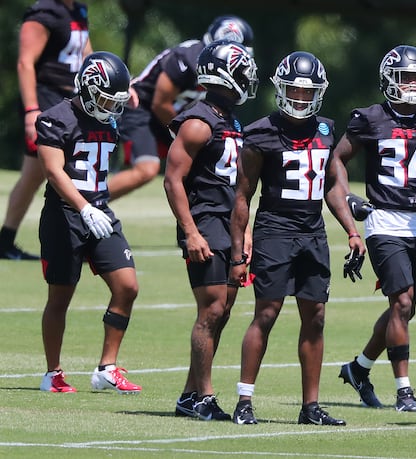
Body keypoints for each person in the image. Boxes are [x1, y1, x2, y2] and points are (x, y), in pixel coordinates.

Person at [229, 51, 363, 426]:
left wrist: (352, 230)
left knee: (316, 316)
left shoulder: (324, 129)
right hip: (274, 229)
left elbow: (332, 187)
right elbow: (243, 196)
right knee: (267, 313)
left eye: (308, 93)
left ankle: (311, 406)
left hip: (312, 231)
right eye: (295, 91)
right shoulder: (260, 132)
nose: (301, 99)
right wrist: (238, 253)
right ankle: (244, 400)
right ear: (281, 89)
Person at [330, 45, 416, 412]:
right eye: (406, 77)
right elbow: (336, 159)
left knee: (404, 309)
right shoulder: (370, 119)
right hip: (383, 220)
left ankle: (359, 369)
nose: (413, 85)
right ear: (389, 80)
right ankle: (405, 390)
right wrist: (348, 197)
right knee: (402, 302)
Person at [37, 51, 142, 394]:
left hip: (99, 211)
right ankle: (52, 373)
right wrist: (83, 208)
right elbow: (53, 171)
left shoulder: (109, 117)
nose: (109, 107)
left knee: (127, 286)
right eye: (103, 99)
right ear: (85, 87)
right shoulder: (55, 118)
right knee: (60, 297)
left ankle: (106, 369)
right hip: (65, 214)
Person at [164, 40, 258, 420]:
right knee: (212, 308)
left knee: (225, 309)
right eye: (242, 71)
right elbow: (173, 180)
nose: (247, 78)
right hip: (203, 222)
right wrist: (190, 232)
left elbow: (239, 186)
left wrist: (245, 232)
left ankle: (189, 394)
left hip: (228, 224)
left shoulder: (230, 119)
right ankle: (204, 397)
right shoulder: (198, 122)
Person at [108, 15, 254, 200]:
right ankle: (89, 205)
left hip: (172, 117)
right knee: (147, 169)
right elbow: (160, 103)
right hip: (143, 108)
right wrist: (185, 132)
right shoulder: (188, 58)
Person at [0, 0, 92, 260]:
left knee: (33, 175)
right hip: (46, 101)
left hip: (72, 99)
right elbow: (25, 63)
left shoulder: (78, 9)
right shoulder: (44, 13)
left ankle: (5, 240)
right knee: (60, 171)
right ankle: (72, 241)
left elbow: (87, 57)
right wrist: (31, 111)